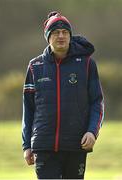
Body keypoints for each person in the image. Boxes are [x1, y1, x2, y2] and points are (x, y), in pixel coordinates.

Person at [22, 11, 104, 179]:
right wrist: (26, 145)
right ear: (48, 37)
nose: (61, 36)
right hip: (44, 146)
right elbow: (28, 110)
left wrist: (92, 131)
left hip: (76, 144)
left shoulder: (87, 64)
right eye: (55, 32)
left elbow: (97, 102)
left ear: (70, 36)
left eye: (65, 32)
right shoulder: (34, 66)